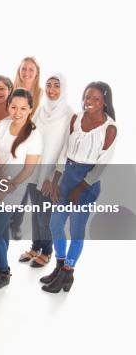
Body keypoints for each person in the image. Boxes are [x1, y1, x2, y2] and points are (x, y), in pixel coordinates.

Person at [41, 82, 116, 293]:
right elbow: (65, 150)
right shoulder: (76, 118)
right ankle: (59, 266)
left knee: (76, 231)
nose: (89, 102)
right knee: (55, 225)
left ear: (104, 102)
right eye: (86, 97)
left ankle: (68, 272)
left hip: (87, 183)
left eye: (95, 99)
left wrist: (81, 187)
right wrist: (56, 179)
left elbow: (102, 165)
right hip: (67, 177)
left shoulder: (109, 127)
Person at [0, 88, 42, 290]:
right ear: (8, 106)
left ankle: (4, 271)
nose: (17, 112)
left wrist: (8, 187)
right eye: (14, 107)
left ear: (30, 109)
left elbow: (29, 169)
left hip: (14, 189)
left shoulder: (34, 135)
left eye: (23, 108)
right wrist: (0, 179)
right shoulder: (2, 126)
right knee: (0, 230)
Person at [19, 74, 72, 268]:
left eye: (56, 86)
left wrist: (54, 178)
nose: (51, 90)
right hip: (35, 170)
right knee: (35, 211)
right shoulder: (40, 111)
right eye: (48, 86)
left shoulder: (69, 114)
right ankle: (35, 246)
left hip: (52, 174)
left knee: (45, 214)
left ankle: (47, 251)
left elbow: (66, 149)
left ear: (63, 88)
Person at [10, 57, 43, 239]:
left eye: (31, 69)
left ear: (37, 72)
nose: (27, 73)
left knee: (24, 180)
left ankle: (16, 223)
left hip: (31, 141)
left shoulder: (42, 94)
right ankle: (7, 217)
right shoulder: (13, 90)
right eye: (24, 69)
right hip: (13, 140)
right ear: (19, 71)